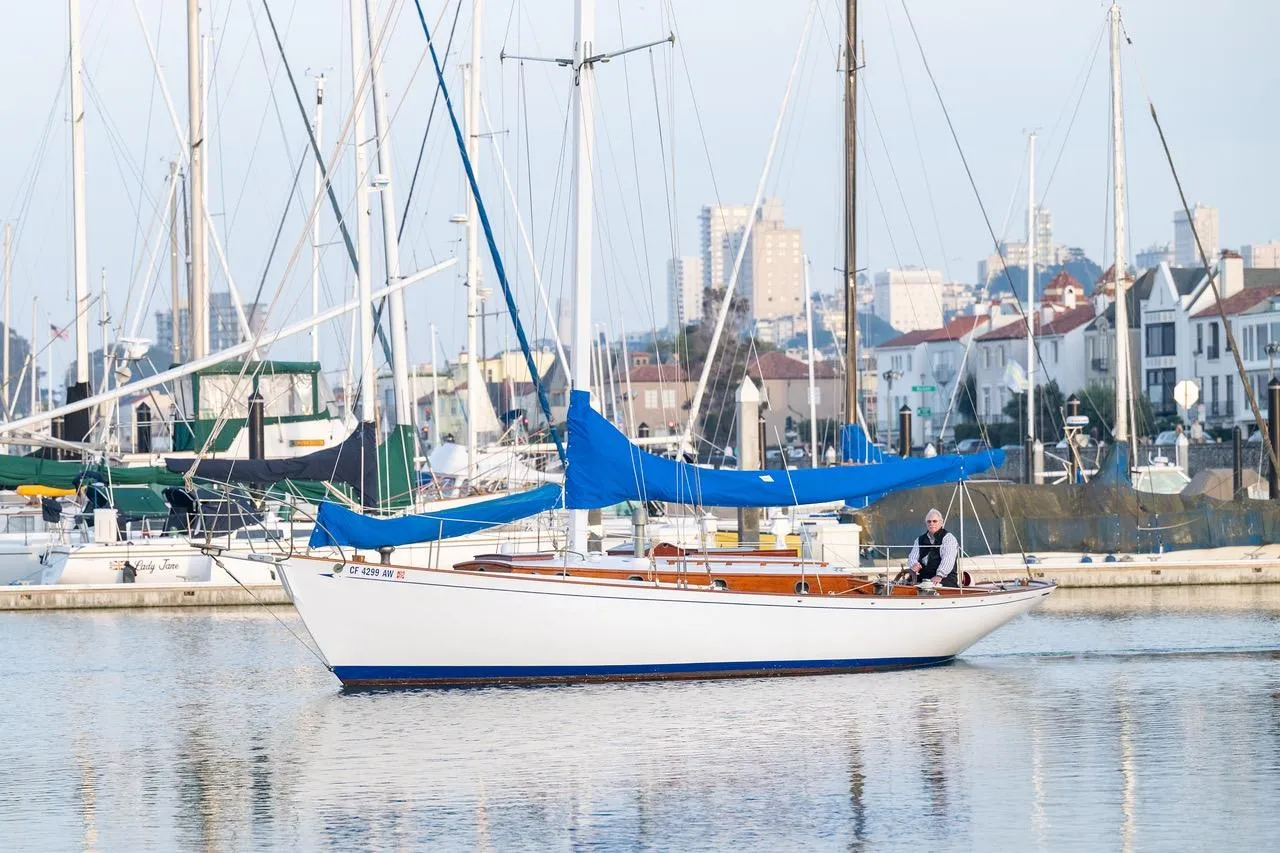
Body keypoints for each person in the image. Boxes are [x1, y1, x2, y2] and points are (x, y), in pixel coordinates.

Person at [898, 508, 960, 587]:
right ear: (926, 523)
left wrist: (940, 575)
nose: (931, 523)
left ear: (941, 523)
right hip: (923, 578)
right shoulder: (919, 540)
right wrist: (914, 564)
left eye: (935, 521)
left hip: (945, 578)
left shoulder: (948, 538)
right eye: (929, 521)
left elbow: (948, 559)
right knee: (906, 584)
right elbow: (912, 557)